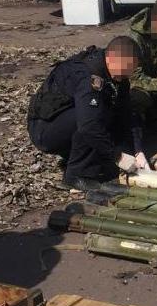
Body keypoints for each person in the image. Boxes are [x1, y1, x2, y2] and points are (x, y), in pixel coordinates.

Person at [27, 37, 147, 191]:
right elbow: (89, 126)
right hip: (45, 128)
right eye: (129, 67)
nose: (129, 74)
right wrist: (118, 156)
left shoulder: (118, 75)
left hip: (70, 119)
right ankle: (75, 176)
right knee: (94, 118)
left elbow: (126, 113)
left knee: (107, 113)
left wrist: (138, 150)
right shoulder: (89, 76)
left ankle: (80, 158)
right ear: (114, 58)